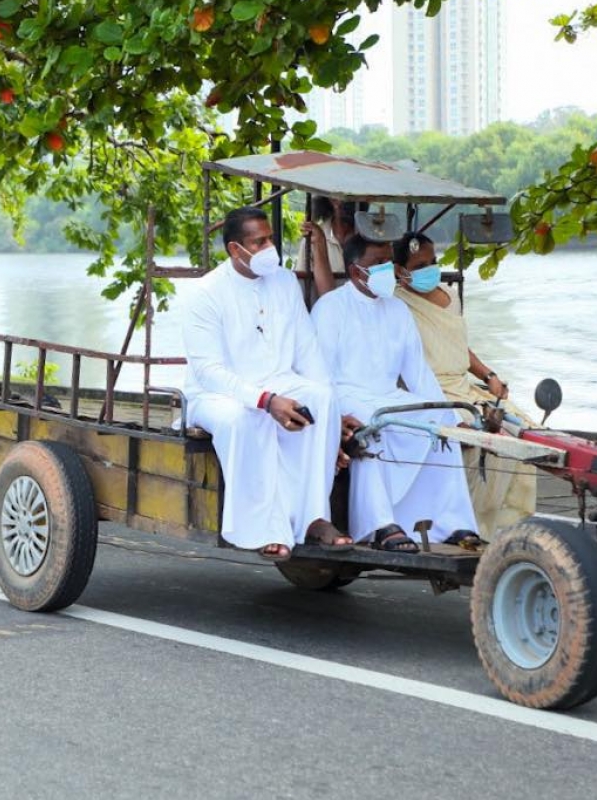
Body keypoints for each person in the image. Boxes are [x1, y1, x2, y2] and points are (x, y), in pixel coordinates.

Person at [181, 206, 352, 560]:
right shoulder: (206, 292)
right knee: (244, 418)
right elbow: (208, 370)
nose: (269, 247)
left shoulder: (284, 281)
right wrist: (265, 400)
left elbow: (308, 351)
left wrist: (332, 422)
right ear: (235, 250)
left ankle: (314, 518)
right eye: (258, 242)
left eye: (270, 238)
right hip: (216, 393)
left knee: (320, 398)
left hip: (279, 381)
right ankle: (263, 527)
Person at [312, 234, 480, 551]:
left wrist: (450, 416)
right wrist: (334, 414)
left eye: (389, 262)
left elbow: (417, 372)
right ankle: (380, 524)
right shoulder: (330, 308)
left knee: (439, 419)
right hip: (346, 395)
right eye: (378, 264)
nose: (387, 270)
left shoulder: (397, 309)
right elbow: (320, 376)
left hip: (388, 394)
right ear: (355, 271)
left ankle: (452, 521)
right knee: (374, 422)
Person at [393, 233, 536, 539]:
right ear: (399, 270)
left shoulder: (449, 296)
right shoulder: (395, 304)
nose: (429, 269)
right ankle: (469, 524)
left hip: (465, 387)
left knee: (523, 428)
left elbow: (460, 347)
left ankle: (508, 524)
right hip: (432, 392)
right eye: (420, 265)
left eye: (433, 262)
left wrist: (489, 376)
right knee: (481, 437)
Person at [296, 198, 362, 300]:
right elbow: (303, 286)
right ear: (330, 200)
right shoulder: (311, 240)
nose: (340, 203)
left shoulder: (367, 238)